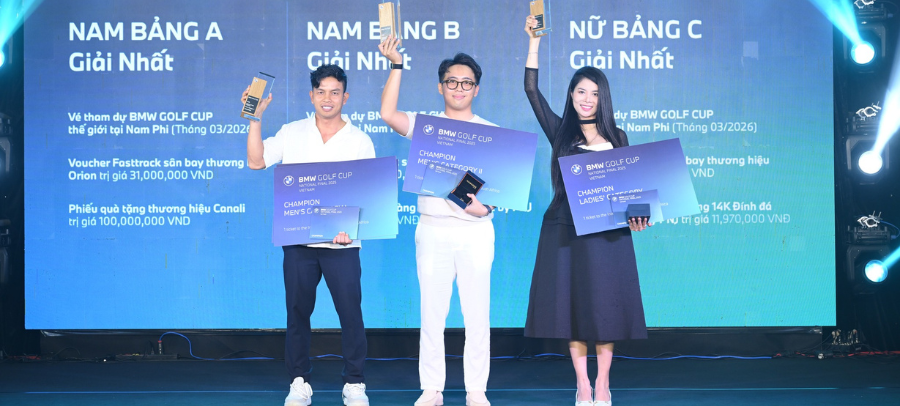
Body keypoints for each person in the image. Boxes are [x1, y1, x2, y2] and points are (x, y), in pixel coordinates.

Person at [522, 15, 651, 406]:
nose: (587, 98)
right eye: (580, 91)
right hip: (566, 230)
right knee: (574, 308)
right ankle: (582, 385)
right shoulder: (561, 132)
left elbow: (632, 188)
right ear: (572, 95)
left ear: (602, 98)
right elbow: (531, 90)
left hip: (608, 234)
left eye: (594, 93)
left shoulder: (618, 137)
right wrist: (534, 41)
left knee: (605, 308)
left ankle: (603, 384)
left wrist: (638, 216)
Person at [243, 64, 375, 406]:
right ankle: (299, 382)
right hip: (299, 243)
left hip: (343, 245)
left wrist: (352, 228)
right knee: (298, 313)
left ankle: (355, 383)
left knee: (351, 314)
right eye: (321, 91)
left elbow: (369, 195)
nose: (327, 98)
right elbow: (256, 161)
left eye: (335, 92)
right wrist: (255, 118)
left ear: (345, 97)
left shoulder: (360, 140)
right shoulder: (292, 132)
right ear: (312, 95)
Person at [377, 35, 496, 406]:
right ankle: (432, 388)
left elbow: (499, 190)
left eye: (466, 83)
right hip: (432, 229)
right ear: (440, 86)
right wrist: (396, 65)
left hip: (476, 233)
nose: (459, 88)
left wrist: (485, 209)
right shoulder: (426, 127)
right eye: (451, 82)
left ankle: (476, 390)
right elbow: (388, 114)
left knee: (477, 314)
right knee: (432, 314)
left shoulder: (490, 132)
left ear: (476, 89)